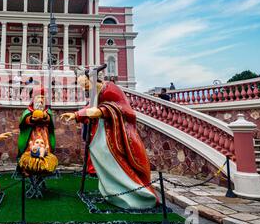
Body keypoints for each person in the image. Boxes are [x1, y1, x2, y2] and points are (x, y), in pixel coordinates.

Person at [60, 72, 157, 210]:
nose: (85, 90)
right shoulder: (96, 94)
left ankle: (136, 194)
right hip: (101, 134)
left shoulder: (111, 89)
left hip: (114, 135)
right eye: (83, 88)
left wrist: (102, 111)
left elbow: (126, 110)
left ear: (93, 80)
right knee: (100, 156)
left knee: (112, 159)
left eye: (86, 86)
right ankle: (111, 191)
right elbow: (90, 108)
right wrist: (76, 115)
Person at [17, 86, 58, 176]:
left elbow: (50, 121)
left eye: (42, 98)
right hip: (31, 133)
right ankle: (27, 167)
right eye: (38, 98)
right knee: (30, 148)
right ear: (33, 99)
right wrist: (31, 119)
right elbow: (23, 122)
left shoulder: (47, 111)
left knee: (45, 149)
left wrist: (45, 117)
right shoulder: (28, 111)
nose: (41, 100)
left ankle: (44, 167)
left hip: (44, 133)